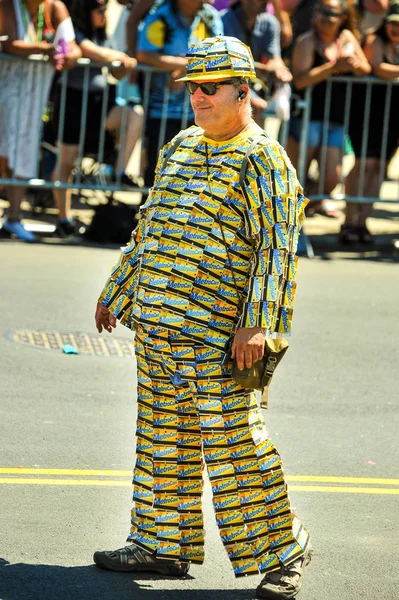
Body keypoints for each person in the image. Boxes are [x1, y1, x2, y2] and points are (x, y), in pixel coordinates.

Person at [93, 36, 312, 600]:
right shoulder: (182, 145)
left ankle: (285, 554)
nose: (199, 97)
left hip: (220, 336)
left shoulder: (265, 158)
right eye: (193, 87)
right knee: (162, 440)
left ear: (245, 92)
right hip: (161, 326)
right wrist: (117, 289)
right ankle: (161, 545)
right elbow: (151, 228)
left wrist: (258, 324)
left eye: (210, 87)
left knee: (238, 447)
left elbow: (276, 248)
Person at [51, 0, 143, 237]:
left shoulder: (105, 35)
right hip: (73, 100)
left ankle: (118, 172)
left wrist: (124, 65)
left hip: (99, 103)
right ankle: (64, 218)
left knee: (133, 116)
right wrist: (118, 56)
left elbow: (115, 70)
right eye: (99, 10)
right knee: (66, 163)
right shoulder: (76, 33)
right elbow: (90, 51)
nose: (104, 14)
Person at [0, 0, 80, 241]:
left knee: (24, 149)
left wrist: (70, 56)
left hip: (36, 92)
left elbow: (73, 47)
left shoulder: (55, 8)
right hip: (6, 85)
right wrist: (47, 50)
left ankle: (13, 217)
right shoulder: (7, 4)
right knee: (3, 150)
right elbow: (10, 43)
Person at [286, 0, 370, 217]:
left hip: (336, 118)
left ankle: (298, 215)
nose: (324, 16)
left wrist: (353, 64)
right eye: (321, 11)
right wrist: (334, 67)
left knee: (331, 179)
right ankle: (290, 223)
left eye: (331, 13)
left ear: (342, 18)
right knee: (296, 177)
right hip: (307, 117)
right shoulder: (306, 41)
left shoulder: (346, 39)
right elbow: (300, 80)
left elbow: (365, 69)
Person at [136, 0, 223, 189]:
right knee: (159, 167)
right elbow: (144, 54)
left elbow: (218, 54)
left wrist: (186, 68)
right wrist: (183, 65)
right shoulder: (160, 16)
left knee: (196, 170)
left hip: (200, 110)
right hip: (162, 110)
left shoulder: (209, 16)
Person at [342, 0, 399, 244]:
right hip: (368, 110)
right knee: (363, 164)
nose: (395, 28)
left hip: (392, 114)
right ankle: (349, 219)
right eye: (393, 23)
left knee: (378, 167)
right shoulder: (375, 40)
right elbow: (377, 67)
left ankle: (363, 221)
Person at [221, 0, 292, 124]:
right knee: (256, 106)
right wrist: (261, 69)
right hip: (226, 83)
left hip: (252, 85)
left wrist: (280, 69)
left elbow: (274, 58)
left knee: (259, 109)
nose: (264, 2)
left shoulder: (270, 23)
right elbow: (223, 61)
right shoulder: (222, 20)